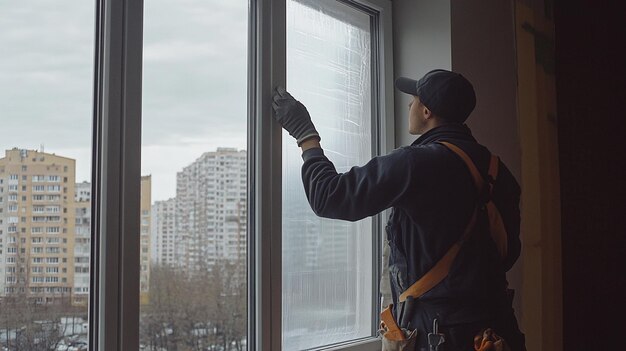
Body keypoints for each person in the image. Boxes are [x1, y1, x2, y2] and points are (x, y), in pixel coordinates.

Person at [272, 69, 526, 351]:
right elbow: (508, 253)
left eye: (415, 99)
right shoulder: (499, 171)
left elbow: (329, 197)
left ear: (427, 111)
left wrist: (306, 135)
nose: (409, 105)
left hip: (438, 336)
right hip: (496, 331)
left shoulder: (416, 163)